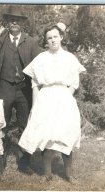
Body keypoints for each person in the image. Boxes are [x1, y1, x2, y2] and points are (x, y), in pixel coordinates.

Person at [18, 23, 86, 182]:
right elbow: (35, 84)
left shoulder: (70, 58)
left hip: (63, 97)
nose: (53, 40)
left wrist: (64, 98)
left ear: (61, 37)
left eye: (55, 36)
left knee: (65, 133)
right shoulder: (41, 58)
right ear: (46, 41)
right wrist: (36, 106)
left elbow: (74, 83)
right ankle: (46, 173)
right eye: (49, 38)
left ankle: (68, 174)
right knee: (46, 135)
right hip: (45, 98)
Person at [0, 6, 40, 174]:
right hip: (4, 87)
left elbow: (39, 66)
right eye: (11, 20)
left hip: (24, 89)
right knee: (0, 124)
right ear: (7, 23)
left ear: (22, 23)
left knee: (26, 125)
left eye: (17, 20)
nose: (14, 22)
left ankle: (25, 162)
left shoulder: (31, 42)